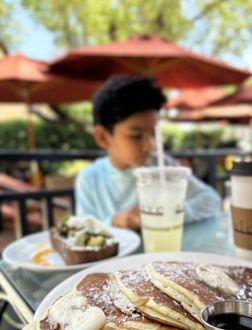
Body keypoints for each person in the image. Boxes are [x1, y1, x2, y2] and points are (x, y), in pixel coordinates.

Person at [75, 76, 221, 230]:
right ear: (103, 137)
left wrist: (172, 213)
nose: (150, 146)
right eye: (136, 136)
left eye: (153, 134)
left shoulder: (162, 166)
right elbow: (82, 230)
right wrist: (115, 222)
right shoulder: (90, 178)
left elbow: (211, 199)